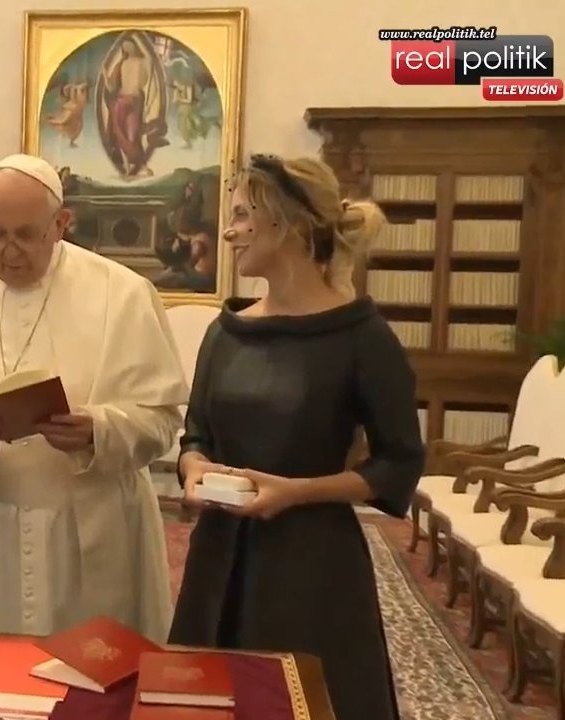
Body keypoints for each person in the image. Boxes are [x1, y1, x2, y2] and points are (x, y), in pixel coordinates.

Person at [168, 153, 425, 720]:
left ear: (287, 223)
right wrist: (194, 470)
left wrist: (294, 492)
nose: (228, 232)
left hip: (310, 566)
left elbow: (398, 463)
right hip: (217, 558)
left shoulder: (362, 336)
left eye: (240, 216)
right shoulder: (225, 330)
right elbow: (196, 435)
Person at [0, 153, 189, 645]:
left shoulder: (124, 294)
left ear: (61, 224)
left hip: (94, 526)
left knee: (94, 681)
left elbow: (161, 419)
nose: (9, 253)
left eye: (26, 235)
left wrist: (98, 430)